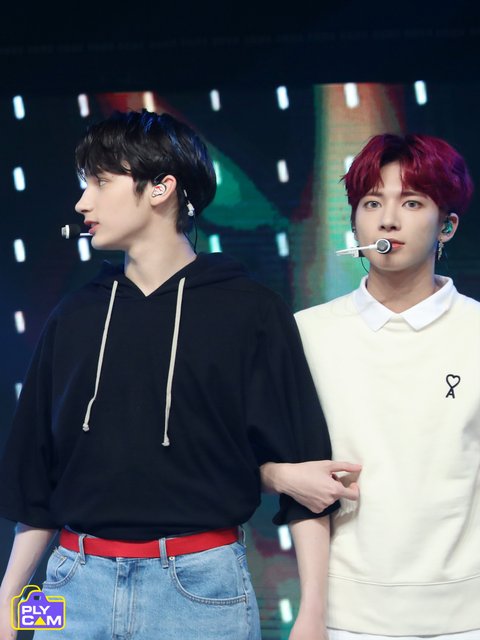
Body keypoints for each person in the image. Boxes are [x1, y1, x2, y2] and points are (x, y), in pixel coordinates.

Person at [0, 109, 359, 640]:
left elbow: (304, 470)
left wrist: (312, 613)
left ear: (161, 188)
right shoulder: (73, 316)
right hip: (72, 587)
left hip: (200, 592)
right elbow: (37, 480)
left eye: (100, 182)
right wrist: (8, 605)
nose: (82, 203)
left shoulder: (250, 311)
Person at [262, 133, 480, 639]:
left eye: (412, 203)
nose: (388, 220)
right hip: (342, 619)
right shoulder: (306, 333)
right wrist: (278, 475)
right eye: (372, 203)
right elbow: (244, 456)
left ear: (447, 226)